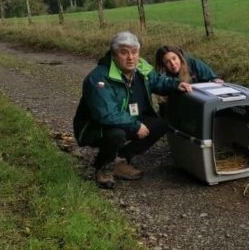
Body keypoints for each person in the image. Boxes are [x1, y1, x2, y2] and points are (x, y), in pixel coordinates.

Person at [73, 31, 192, 189]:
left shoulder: (140, 66)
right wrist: (135, 126)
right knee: (116, 134)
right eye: (124, 52)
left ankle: (120, 159)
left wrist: (175, 85)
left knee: (161, 124)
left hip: (127, 118)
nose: (131, 57)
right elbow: (106, 114)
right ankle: (103, 167)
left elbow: (157, 81)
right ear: (114, 54)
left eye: (134, 52)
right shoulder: (98, 78)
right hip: (96, 127)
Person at [154, 45, 222, 84]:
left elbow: (212, 78)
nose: (172, 63)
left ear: (180, 57)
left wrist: (215, 81)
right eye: (167, 62)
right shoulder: (162, 77)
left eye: (174, 58)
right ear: (163, 65)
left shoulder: (194, 64)